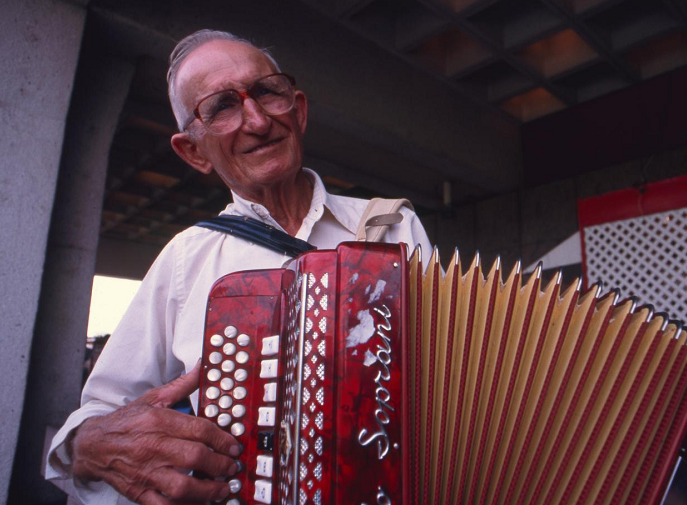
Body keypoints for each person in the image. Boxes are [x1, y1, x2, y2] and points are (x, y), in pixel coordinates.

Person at [46, 29, 433, 505]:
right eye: (222, 106)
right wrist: (86, 445)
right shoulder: (187, 258)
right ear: (193, 150)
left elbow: (451, 380)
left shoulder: (393, 227)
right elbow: (101, 415)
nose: (256, 120)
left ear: (299, 109)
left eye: (268, 92)